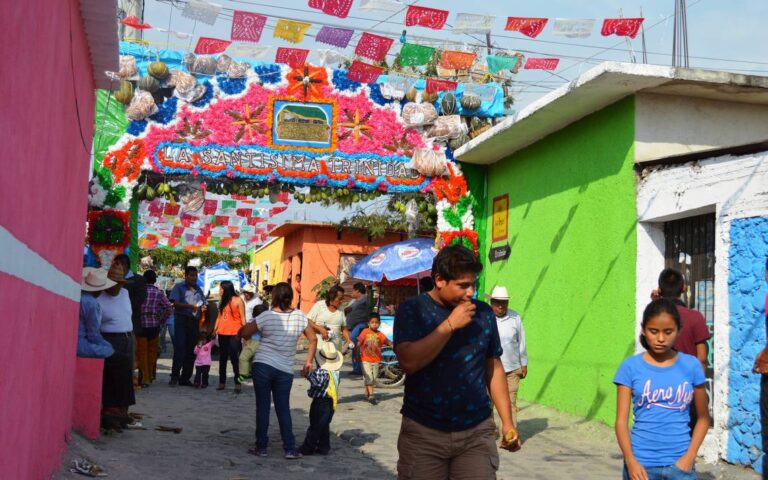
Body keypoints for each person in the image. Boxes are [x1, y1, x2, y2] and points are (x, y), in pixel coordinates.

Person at [393, 245, 518, 479]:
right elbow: (408, 361)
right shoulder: (413, 310)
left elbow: (494, 368)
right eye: (463, 285)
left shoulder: (483, 313)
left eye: (473, 284)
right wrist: (450, 325)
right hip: (424, 431)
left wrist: (507, 422)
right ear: (439, 280)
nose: (471, 292)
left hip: (476, 432)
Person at [614, 298, 710, 480]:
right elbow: (620, 422)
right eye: (653, 331)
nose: (660, 338)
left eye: (668, 332)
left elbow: (704, 418)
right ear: (643, 329)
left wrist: (689, 458)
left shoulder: (691, 366)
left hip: (681, 467)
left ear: (678, 330)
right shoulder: (630, 367)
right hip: (641, 468)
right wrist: (630, 461)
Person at [239, 282, 323, 460]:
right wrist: (308, 361)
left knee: (263, 407)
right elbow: (313, 339)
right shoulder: (300, 316)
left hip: (262, 364)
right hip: (285, 369)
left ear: (275, 296)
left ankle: (261, 447)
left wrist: (250, 336)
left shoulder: (266, 316)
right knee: (283, 408)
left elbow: (245, 332)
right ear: (291, 296)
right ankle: (290, 449)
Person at [98, 262, 138, 428]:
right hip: (109, 338)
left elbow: (128, 318)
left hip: (127, 337)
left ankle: (122, 413)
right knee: (112, 376)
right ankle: (111, 413)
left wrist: (134, 345)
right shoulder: (99, 296)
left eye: (118, 284)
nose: (115, 287)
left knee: (126, 376)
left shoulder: (125, 294)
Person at [489, 285, 527, 447]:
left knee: (510, 402)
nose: (500, 306)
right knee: (488, 402)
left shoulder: (515, 318)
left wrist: (523, 362)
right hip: (490, 369)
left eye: (503, 303)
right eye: (497, 303)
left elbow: (521, 342)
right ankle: (489, 433)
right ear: (491, 302)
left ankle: (510, 435)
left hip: (512, 368)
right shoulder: (486, 318)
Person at [653, 268, 711, 371]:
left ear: (659, 290)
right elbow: (701, 359)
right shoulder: (695, 317)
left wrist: (654, 302)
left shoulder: (653, 317)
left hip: (659, 383)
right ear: (684, 288)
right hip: (687, 382)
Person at [299, 340, 342, 456]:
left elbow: (315, 381)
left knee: (315, 426)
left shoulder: (321, 372)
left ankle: (308, 448)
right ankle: (324, 447)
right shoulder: (336, 373)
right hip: (331, 402)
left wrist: (306, 373)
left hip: (320, 402)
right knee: (324, 426)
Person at [169, 266, 206, 386]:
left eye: (195, 275)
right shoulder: (179, 287)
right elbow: (175, 303)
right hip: (181, 320)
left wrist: (203, 307)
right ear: (186, 276)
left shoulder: (199, 289)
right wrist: (189, 306)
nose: (194, 278)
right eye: (191, 275)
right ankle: (174, 376)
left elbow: (203, 303)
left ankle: (185, 377)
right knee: (180, 348)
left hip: (194, 322)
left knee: (191, 350)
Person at [136, 270, 172, 387]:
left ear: (144, 279)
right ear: (155, 280)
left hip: (141, 325)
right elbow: (168, 307)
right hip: (154, 325)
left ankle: (144, 377)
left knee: (142, 352)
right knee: (152, 352)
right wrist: (161, 320)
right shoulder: (159, 292)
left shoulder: (140, 291)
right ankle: (150, 376)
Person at [213, 280, 246, 392]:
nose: (219, 291)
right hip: (222, 333)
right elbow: (219, 317)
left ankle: (238, 383)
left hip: (234, 333)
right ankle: (221, 383)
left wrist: (244, 333)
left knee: (234, 359)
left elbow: (243, 318)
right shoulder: (223, 301)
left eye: (221, 288)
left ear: (226, 289)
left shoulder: (238, 300)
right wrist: (214, 330)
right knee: (222, 359)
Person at [77, 267, 116, 359]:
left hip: (74, 340)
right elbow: (93, 334)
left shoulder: (79, 297)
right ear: (99, 290)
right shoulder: (92, 304)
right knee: (109, 350)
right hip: (80, 344)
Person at [308, 285, 354, 355]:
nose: (341, 301)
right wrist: (320, 329)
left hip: (335, 348)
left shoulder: (341, 309)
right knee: (322, 366)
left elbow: (343, 328)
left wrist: (348, 340)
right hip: (320, 347)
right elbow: (309, 321)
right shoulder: (319, 305)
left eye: (342, 299)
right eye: (339, 299)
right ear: (331, 297)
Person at [357, 313, 392, 405]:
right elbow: (359, 343)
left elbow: (387, 341)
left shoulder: (380, 334)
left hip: (376, 360)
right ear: (368, 323)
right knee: (369, 377)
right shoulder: (365, 331)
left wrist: (392, 344)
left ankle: (367, 393)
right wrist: (357, 353)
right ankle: (372, 396)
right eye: (372, 322)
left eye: (376, 322)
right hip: (365, 359)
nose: (374, 324)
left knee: (374, 378)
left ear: (379, 324)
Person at [238, 303, 269, 383]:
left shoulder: (255, 321)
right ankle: (251, 371)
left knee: (243, 358)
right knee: (253, 359)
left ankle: (244, 373)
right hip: (261, 343)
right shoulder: (266, 321)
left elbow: (244, 331)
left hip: (253, 342)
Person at [345, 283, 370, 375]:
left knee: (353, 342)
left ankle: (359, 368)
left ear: (358, 291)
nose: (352, 292)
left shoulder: (364, 299)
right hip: (356, 325)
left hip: (361, 325)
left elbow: (350, 309)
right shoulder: (358, 299)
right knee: (355, 346)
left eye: (353, 290)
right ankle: (357, 368)